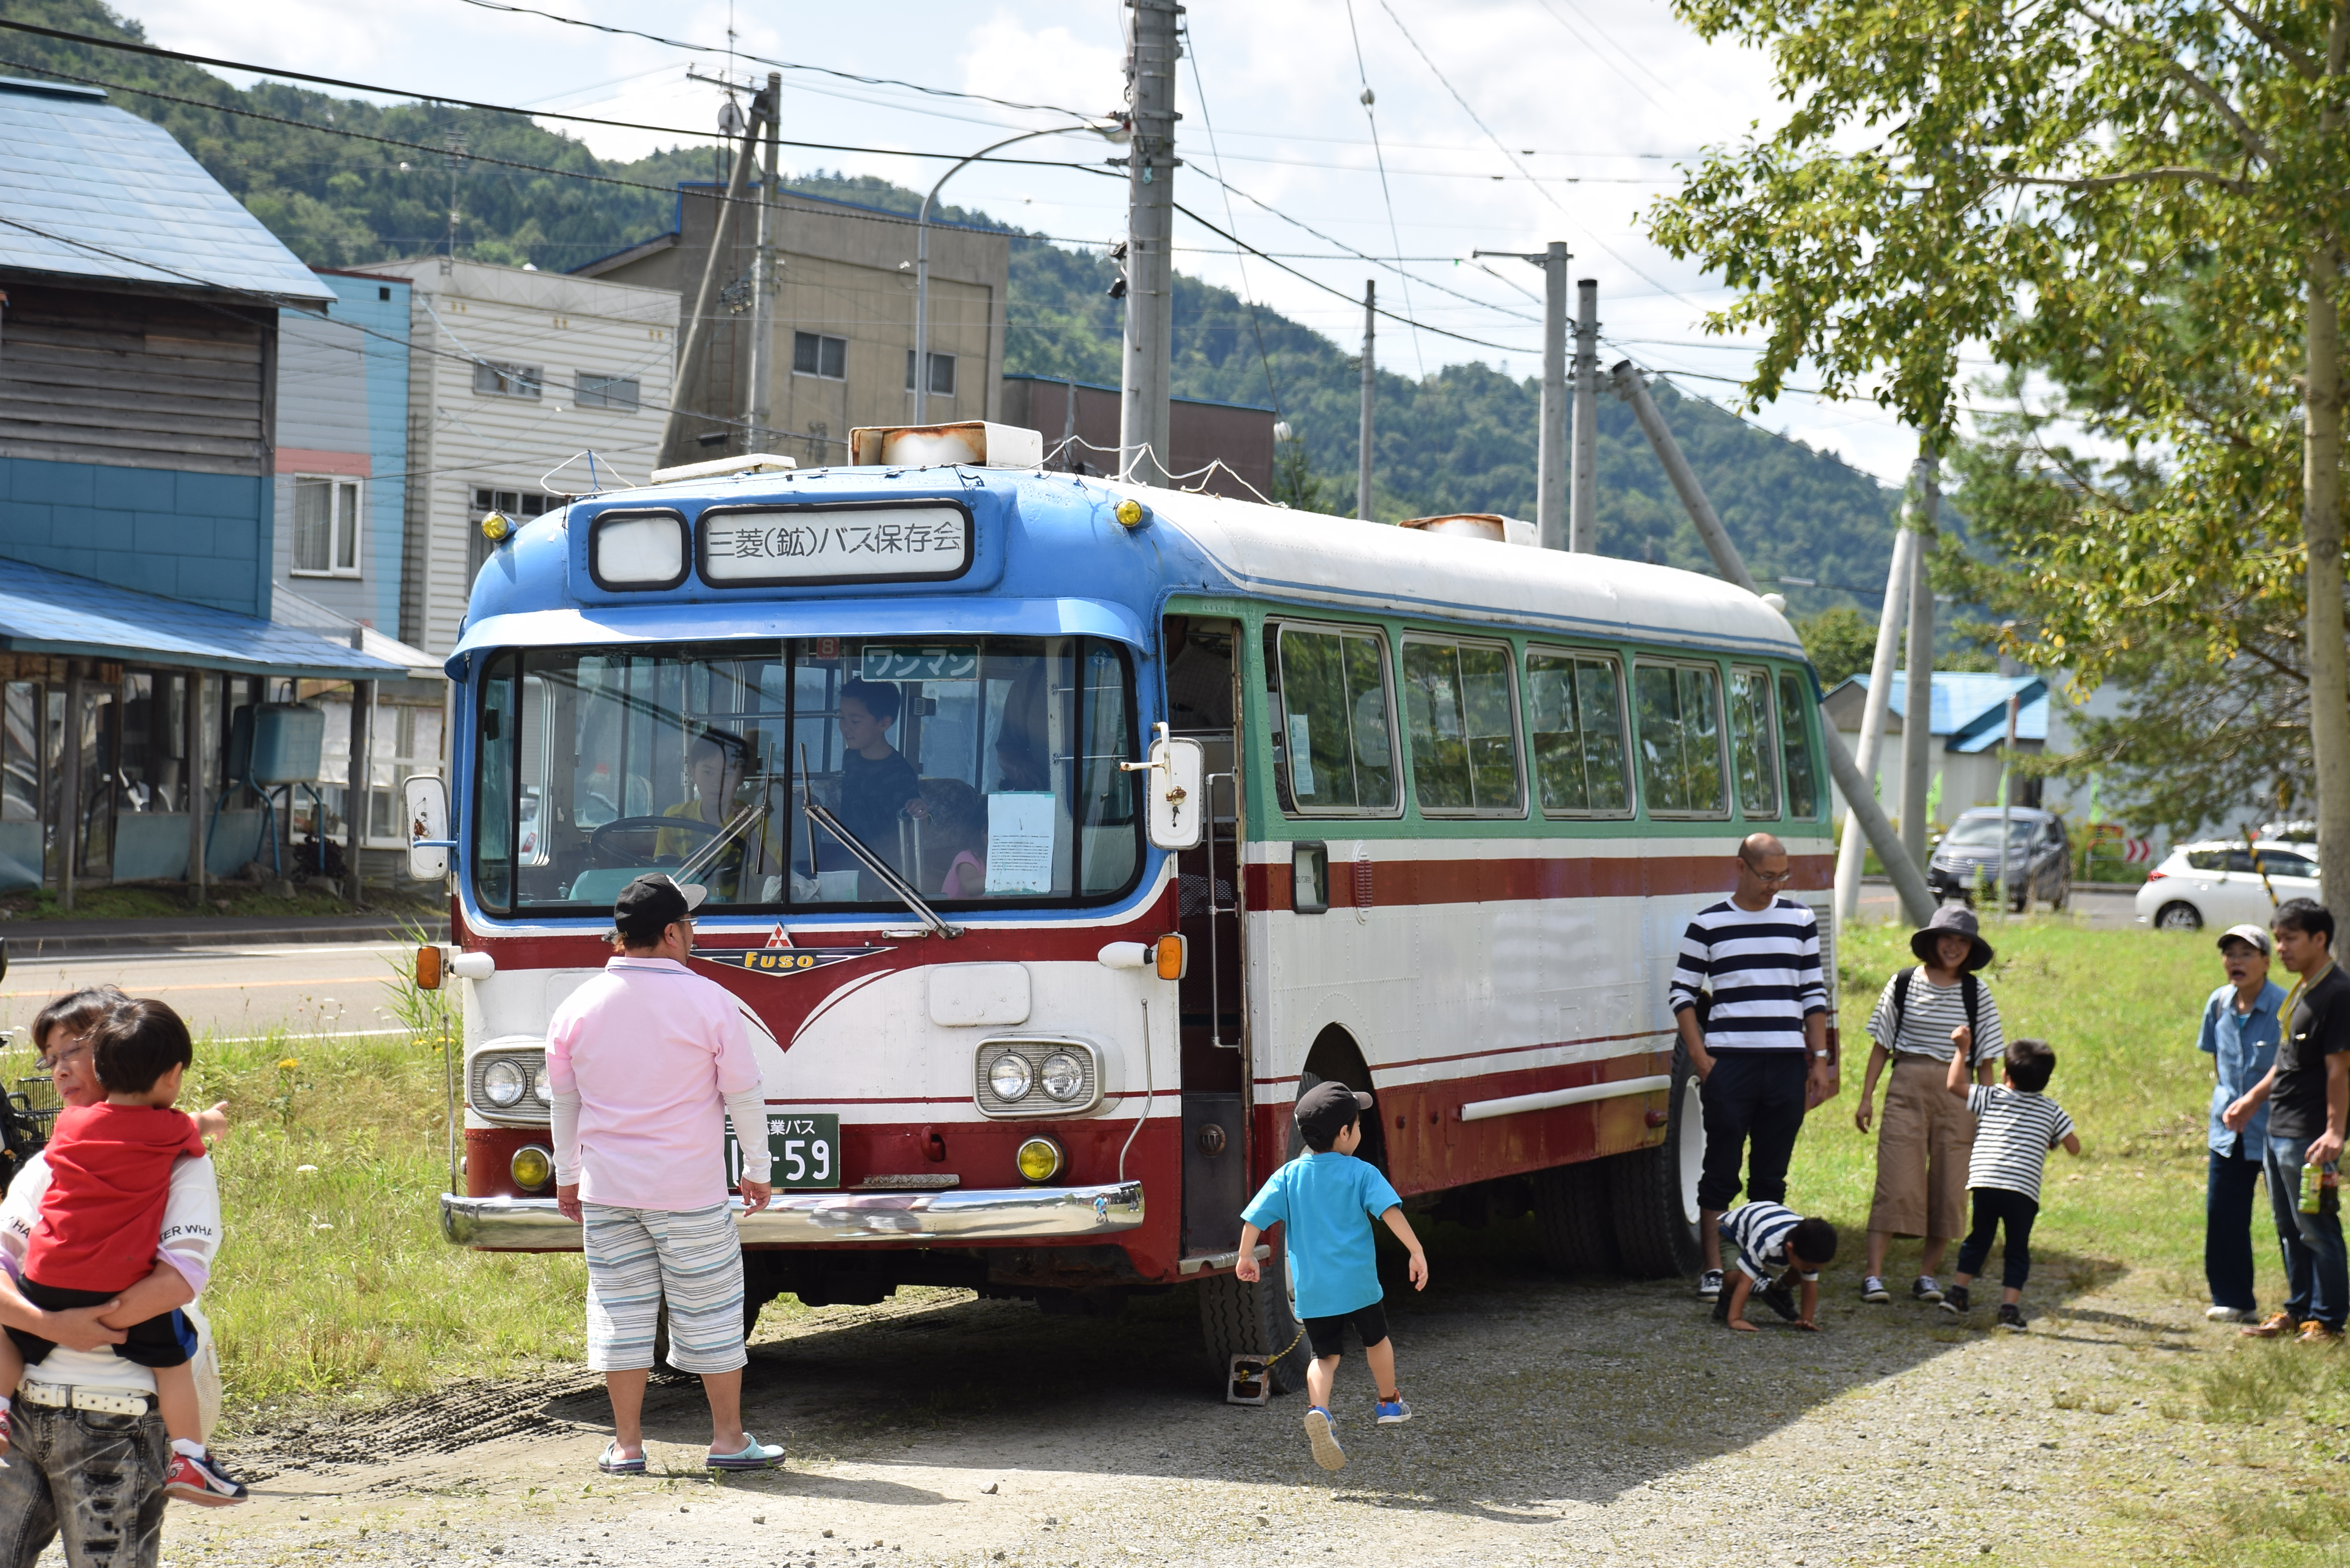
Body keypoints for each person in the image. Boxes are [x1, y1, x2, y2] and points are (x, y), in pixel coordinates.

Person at [548, 872, 785, 1472]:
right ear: (673, 933)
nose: (694, 935)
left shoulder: (577, 1007)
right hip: (688, 1192)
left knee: (620, 1310)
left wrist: (568, 1176)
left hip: (607, 1191)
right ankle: (727, 1440)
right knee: (710, 1308)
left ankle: (627, 1446)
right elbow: (743, 1093)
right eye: (691, 925)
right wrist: (756, 1168)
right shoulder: (710, 1000)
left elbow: (565, 1103)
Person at [0, 989, 236, 1563]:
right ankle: (192, 1457)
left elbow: (179, 1275)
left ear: (111, 1050)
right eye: (49, 1058)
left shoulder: (180, 1165)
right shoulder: (52, 1158)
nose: (60, 1069)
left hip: (119, 1417)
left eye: (73, 1049)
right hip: (29, 1413)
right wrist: (59, 1325)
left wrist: (55, 1322)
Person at [1668, 832, 1832, 1304]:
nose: (1775, 885)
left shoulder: (1800, 919)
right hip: (1730, 1062)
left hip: (1786, 1062)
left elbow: (1813, 993)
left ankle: (1757, 1265)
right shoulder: (1708, 923)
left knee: (1770, 1173)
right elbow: (1682, 993)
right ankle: (1714, 1269)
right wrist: (1701, 1057)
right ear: (1740, 867)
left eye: (1783, 876)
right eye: (1767, 876)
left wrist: (1819, 1059)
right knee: (1720, 1167)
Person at [1234, 1082, 1429, 1473]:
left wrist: (1245, 1256)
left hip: (1314, 1290)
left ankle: (1319, 1409)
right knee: (1377, 1340)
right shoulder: (1362, 1172)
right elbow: (1390, 1212)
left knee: (1324, 1357)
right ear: (1344, 1133)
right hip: (1358, 1285)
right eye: (1357, 1125)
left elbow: (1254, 1218)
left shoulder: (1289, 1176)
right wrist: (1416, 1250)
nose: (1359, 1131)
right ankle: (1389, 1402)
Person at [1852, 905, 2006, 1307]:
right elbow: (1880, 1046)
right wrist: (1867, 1098)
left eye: (1962, 942)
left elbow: (1986, 1062)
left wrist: (1989, 1113)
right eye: (1947, 939)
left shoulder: (1977, 993)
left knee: (1950, 1188)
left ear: (1971, 949)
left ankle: (1926, 1276)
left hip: (1959, 1097)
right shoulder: (1903, 983)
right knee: (1895, 1182)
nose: (1953, 948)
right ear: (1932, 942)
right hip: (1906, 1088)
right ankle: (1873, 1275)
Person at [2224, 897, 2350, 1344]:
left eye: (2290, 938)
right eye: (2278, 939)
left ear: (2319, 938)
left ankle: (2329, 1322)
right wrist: (2253, 1100)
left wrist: (2335, 1130)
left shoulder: (2337, 993)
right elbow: (2287, 1061)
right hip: (2277, 1126)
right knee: (2289, 1228)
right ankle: (2298, 1310)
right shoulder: (2303, 990)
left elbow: (2340, 1069)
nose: (2281, 948)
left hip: (2309, 1135)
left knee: (2317, 1227)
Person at [1940, 1035, 2081, 1330]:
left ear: (2007, 1075)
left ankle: (1957, 1292)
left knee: (1979, 1237)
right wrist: (2051, 1137)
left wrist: (1962, 1050)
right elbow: (2074, 1147)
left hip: (1987, 1182)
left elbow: (1954, 1084)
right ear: (2046, 1080)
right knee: (2017, 1248)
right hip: (2022, 1191)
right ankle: (2008, 1310)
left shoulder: (1991, 1097)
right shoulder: (2051, 1109)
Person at [2198, 924, 2286, 1323]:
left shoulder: (2285, 1007)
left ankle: (2310, 1304)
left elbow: (2292, 1066)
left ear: (2266, 962)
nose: (2237, 961)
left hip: (2277, 1128)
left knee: (2293, 1220)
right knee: (2224, 1214)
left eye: (2247, 954)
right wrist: (2232, 1102)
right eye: (2230, 954)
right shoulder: (2218, 1003)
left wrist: (2253, 1100)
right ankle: (2234, 1300)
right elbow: (2218, 1059)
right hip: (2229, 1129)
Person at [655, 730, 763, 899]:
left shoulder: (755, 819)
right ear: (693, 773)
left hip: (741, 909)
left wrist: (751, 836)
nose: (717, 783)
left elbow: (773, 878)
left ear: (741, 777)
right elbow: (661, 875)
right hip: (685, 907)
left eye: (727, 774)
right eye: (708, 772)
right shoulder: (674, 818)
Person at [1712, 1202, 1836, 1332]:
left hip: (1768, 1223)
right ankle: (1726, 1301)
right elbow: (1745, 1281)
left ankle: (1778, 1291)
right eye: (1808, 1266)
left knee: (1803, 1270)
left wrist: (1807, 1320)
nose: (1811, 1270)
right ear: (1789, 1248)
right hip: (1735, 1233)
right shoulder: (1766, 1242)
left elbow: (1809, 1285)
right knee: (1735, 1277)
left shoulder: (1810, 1247)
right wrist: (1735, 1319)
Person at [831, 680, 921, 858]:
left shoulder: (900, 772)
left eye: (855, 721)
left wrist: (922, 814)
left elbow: (913, 826)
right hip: (848, 857)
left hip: (884, 864)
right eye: (841, 718)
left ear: (884, 724)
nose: (846, 727)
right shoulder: (850, 757)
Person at [921, 777, 988, 898]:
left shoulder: (993, 862)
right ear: (985, 832)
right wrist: (1006, 878)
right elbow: (970, 887)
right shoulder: (967, 857)